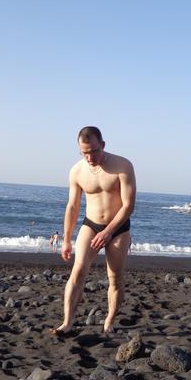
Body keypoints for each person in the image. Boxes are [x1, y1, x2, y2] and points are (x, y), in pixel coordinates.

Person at [51, 126, 136, 336]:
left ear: (103, 145)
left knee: (114, 277)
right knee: (78, 270)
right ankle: (67, 322)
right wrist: (66, 239)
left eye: (94, 151)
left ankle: (109, 321)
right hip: (91, 224)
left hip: (118, 228)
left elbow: (128, 206)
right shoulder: (77, 171)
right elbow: (72, 206)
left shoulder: (122, 166)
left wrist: (108, 232)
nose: (90, 157)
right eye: (84, 152)